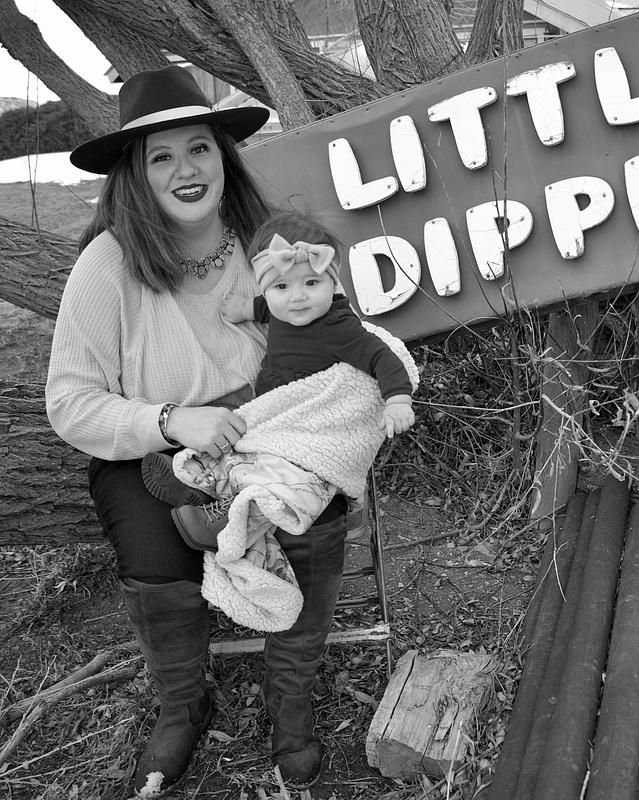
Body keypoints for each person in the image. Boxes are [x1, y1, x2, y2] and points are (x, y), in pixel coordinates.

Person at [45, 65, 344, 796]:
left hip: (269, 430)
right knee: (155, 555)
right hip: (153, 444)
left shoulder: (270, 244)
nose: (186, 170)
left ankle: (291, 695)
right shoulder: (108, 263)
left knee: (315, 511)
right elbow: (70, 401)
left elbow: (337, 341)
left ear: (223, 157)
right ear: (136, 175)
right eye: (162, 157)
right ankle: (184, 703)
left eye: (199, 148)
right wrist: (171, 419)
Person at [147, 209, 415, 547]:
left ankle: (229, 521)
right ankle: (201, 484)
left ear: (332, 283)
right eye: (282, 286)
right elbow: (268, 307)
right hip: (274, 414)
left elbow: (382, 357)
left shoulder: (337, 327)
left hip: (308, 430)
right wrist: (246, 309)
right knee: (243, 452)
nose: (297, 296)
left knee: (286, 482)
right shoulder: (283, 310)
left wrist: (397, 399)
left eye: (312, 283)